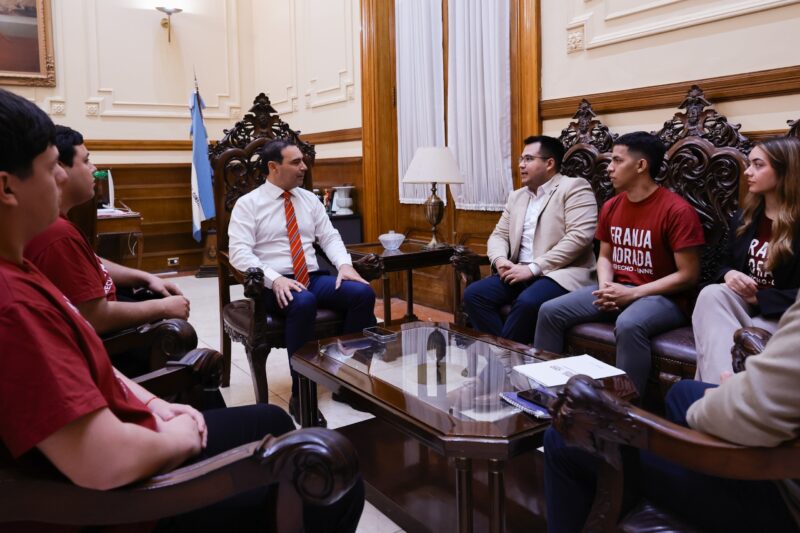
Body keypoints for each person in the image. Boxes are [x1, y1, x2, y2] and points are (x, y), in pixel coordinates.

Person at [0, 88, 364, 531]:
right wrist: (178, 434)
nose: (62, 178)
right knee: (332, 472)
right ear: (7, 186)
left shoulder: (20, 271)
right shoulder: (13, 307)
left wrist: (154, 402)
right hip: (130, 500)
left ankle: (347, 380)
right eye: (50, 167)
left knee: (274, 414)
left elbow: (90, 367)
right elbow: (102, 461)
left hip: (134, 425)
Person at [543, 292, 800, 533]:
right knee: (682, 392)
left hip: (781, 497)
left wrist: (719, 398)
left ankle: (673, 485)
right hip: (779, 447)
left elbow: (758, 407)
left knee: (566, 435)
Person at [534, 132, 705, 394]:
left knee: (629, 323)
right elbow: (605, 256)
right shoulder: (612, 206)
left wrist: (632, 293)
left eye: (617, 161)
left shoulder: (677, 211)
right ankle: (547, 394)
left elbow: (688, 275)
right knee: (549, 311)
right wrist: (606, 286)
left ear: (640, 166)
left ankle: (624, 412)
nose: (609, 168)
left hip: (663, 298)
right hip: (616, 290)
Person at [228, 139, 377, 426]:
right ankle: (302, 393)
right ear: (273, 167)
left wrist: (344, 265)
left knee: (362, 293)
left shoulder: (308, 199)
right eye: (295, 162)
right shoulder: (249, 205)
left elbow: (329, 237)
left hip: (312, 277)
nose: (304, 167)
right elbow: (239, 252)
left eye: (303, 161)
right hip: (273, 284)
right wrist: (274, 279)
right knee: (303, 301)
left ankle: (345, 381)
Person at [23, 126, 190, 375]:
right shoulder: (56, 233)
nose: (94, 169)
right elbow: (94, 316)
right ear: (60, 169)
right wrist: (165, 308)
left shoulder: (56, 222)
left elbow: (90, 260)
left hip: (109, 313)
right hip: (111, 346)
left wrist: (144, 276)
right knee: (190, 353)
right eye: (87, 160)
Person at [462, 135, 597, 345]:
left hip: (558, 273)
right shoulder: (517, 196)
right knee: (474, 295)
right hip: (518, 271)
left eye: (528, 159)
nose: (521, 165)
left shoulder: (574, 188)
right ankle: (510, 361)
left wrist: (533, 268)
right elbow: (499, 235)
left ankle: (502, 365)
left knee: (527, 302)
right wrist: (500, 260)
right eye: (520, 159)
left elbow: (579, 237)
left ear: (549, 163)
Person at [693, 136, 800, 383]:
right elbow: (722, 264)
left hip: (786, 318)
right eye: (749, 164)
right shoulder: (745, 217)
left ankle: (716, 395)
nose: (748, 172)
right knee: (711, 294)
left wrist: (760, 297)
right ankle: (724, 394)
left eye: (758, 165)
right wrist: (730, 274)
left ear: (786, 170)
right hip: (746, 310)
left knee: (727, 336)